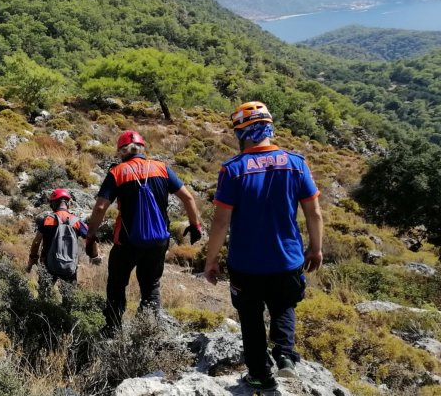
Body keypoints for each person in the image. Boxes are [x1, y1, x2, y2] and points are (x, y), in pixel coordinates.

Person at [204, 101, 324, 391]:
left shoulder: (233, 170)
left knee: (250, 318)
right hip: (288, 259)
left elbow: (221, 222)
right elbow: (314, 213)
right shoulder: (296, 163)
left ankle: (260, 374)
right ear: (270, 127)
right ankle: (285, 355)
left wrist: (211, 259)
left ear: (241, 132)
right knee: (284, 306)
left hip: (246, 264)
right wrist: (316, 249)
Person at [86, 130, 203, 336]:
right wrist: (195, 226)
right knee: (151, 285)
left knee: (116, 284)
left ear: (122, 151)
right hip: (158, 241)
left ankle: (112, 328)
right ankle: (149, 330)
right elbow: (188, 198)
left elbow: (100, 208)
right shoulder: (162, 168)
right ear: (143, 148)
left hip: (127, 242)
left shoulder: (118, 172)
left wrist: (91, 234)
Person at [27, 188, 100, 307]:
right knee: (69, 298)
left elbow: (36, 243)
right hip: (70, 267)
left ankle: (42, 316)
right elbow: (91, 237)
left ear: (53, 204)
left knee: (43, 297)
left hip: (48, 266)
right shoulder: (76, 221)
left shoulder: (47, 220)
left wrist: (32, 259)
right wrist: (94, 255)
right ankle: (66, 318)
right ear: (68, 203)